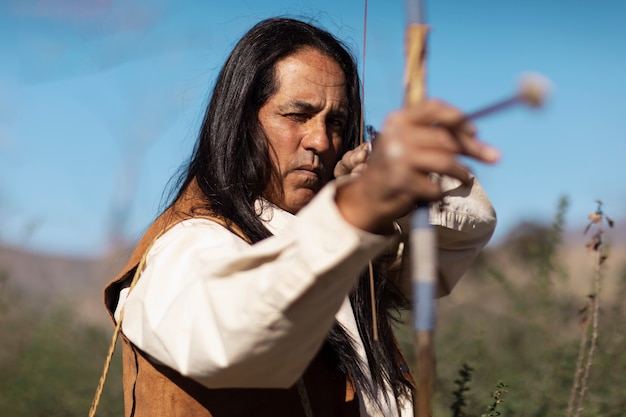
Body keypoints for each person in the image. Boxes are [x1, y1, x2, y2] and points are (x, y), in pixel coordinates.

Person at [104, 17, 498, 417]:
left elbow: (466, 227)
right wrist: (351, 215)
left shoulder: (333, 235)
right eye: (297, 115)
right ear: (241, 121)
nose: (321, 140)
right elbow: (233, 337)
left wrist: (398, 175)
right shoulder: (189, 242)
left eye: (337, 122)